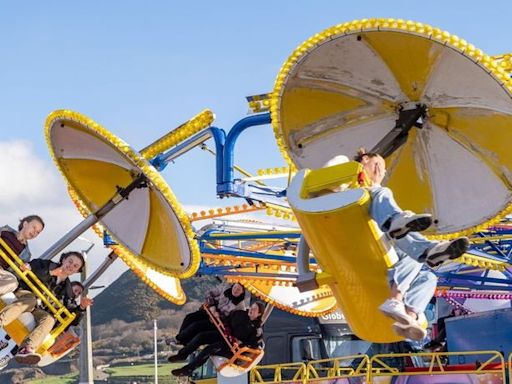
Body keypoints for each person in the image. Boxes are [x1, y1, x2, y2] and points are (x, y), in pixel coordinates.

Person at [0, 251, 85, 364]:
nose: (71, 266)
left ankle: (27, 348)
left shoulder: (67, 290)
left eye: (75, 266)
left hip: (38, 308)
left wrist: (81, 308)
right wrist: (50, 273)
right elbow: (30, 268)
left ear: (76, 271)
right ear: (63, 259)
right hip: (26, 294)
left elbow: (68, 314)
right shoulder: (44, 264)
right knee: (31, 300)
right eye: (70, 261)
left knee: (49, 319)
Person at [170, 301, 265, 377]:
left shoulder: (257, 330)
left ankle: (188, 370)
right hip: (225, 336)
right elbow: (228, 320)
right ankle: (182, 354)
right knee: (202, 336)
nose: (251, 310)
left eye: (254, 309)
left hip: (232, 347)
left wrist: (240, 343)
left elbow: (252, 346)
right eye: (251, 307)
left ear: (259, 313)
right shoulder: (240, 314)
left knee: (209, 349)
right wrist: (223, 324)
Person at [167, 283, 246, 349]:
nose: (235, 290)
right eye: (235, 287)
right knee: (189, 317)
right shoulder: (225, 288)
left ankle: (178, 339)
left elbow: (233, 321)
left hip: (216, 322)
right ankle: (181, 339)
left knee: (196, 326)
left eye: (238, 290)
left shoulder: (240, 306)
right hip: (210, 311)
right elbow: (209, 293)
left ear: (242, 292)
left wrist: (220, 316)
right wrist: (212, 306)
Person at [0, 215, 45, 296]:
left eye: (38, 232)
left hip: (1, 271)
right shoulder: (5, 231)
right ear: (25, 224)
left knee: (13, 282)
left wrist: (23, 269)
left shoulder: (26, 254)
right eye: (34, 227)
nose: (35, 232)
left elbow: (15, 274)